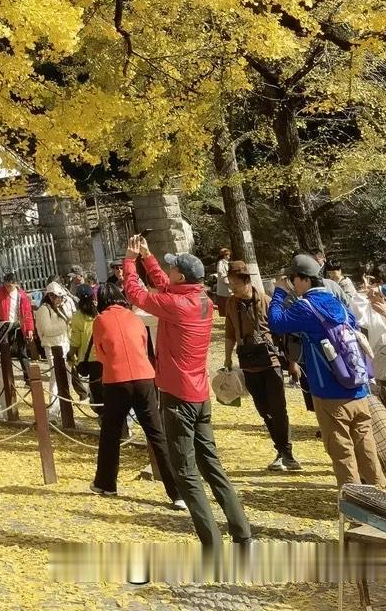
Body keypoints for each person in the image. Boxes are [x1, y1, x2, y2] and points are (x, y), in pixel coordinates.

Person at [121, 235, 251, 552]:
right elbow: (165, 285)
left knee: (185, 472)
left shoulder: (176, 305)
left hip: (178, 397)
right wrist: (147, 258)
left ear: (181, 276)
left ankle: (212, 544)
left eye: (173, 269)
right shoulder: (201, 300)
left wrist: (128, 260)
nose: (170, 273)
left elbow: (135, 293)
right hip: (199, 394)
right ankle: (242, 532)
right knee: (211, 464)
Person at [268, 253, 383, 488]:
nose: (292, 283)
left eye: (293, 278)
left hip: (330, 393)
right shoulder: (337, 303)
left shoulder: (306, 307)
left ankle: (357, 512)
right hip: (358, 388)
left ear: (305, 280)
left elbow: (277, 322)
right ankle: (383, 504)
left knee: (342, 453)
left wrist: (279, 292)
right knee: (367, 447)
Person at [89, 282, 183, 506]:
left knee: (111, 433)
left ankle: (106, 483)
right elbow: (143, 344)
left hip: (116, 380)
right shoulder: (135, 317)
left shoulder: (100, 320)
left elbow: (100, 353)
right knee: (156, 433)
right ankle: (177, 493)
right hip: (144, 377)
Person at [223, 258, 299, 472]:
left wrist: (292, 363)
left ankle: (287, 453)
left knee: (278, 409)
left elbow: (284, 336)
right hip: (247, 363)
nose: (231, 287)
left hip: (270, 362)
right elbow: (229, 332)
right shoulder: (230, 303)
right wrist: (227, 358)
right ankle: (280, 450)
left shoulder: (266, 301)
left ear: (245, 280)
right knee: (263, 410)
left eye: (234, 283)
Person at [35, 280, 75, 404]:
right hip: (53, 347)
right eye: (58, 297)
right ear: (51, 296)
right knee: (56, 378)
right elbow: (47, 330)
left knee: (67, 378)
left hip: (64, 345)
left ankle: (65, 407)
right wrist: (65, 324)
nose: (60, 300)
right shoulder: (44, 310)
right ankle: (54, 408)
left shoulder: (59, 309)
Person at [0, 269, 35, 348]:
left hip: (19, 324)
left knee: (22, 349)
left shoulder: (22, 295)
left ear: (15, 284)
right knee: (5, 348)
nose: (7, 288)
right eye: (5, 286)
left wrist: (30, 329)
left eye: (9, 286)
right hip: (5, 325)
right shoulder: (0, 291)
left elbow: (28, 313)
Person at [213, 249, 231, 320]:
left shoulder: (227, 263)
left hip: (229, 288)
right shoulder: (221, 263)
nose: (229, 256)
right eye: (227, 255)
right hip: (224, 289)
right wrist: (228, 282)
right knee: (226, 306)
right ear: (224, 255)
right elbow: (221, 274)